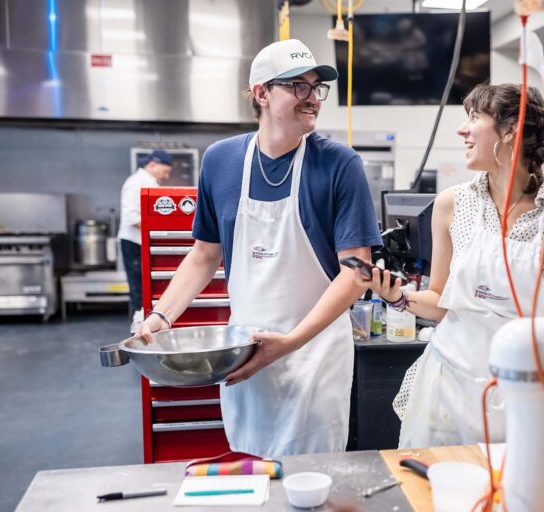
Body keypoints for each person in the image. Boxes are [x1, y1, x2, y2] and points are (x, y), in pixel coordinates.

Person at [140, 39, 381, 456]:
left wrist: (290, 342)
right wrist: (163, 315)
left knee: (313, 474)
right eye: (298, 87)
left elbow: (358, 271)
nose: (312, 99)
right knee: (250, 468)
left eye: (316, 88)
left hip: (315, 354)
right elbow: (203, 254)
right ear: (262, 93)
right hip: (245, 351)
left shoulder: (340, 164)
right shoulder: (220, 160)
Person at [354, 84, 544, 448]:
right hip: (448, 384)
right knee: (433, 491)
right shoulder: (452, 204)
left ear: (510, 130)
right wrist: (397, 297)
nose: (461, 130)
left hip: (524, 387)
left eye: (473, 118)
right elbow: (439, 299)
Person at [117, 149, 173, 333]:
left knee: (146, 288)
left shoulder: (149, 182)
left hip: (143, 243)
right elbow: (131, 218)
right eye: (165, 170)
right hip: (134, 243)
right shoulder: (137, 183)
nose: (167, 175)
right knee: (139, 289)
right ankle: (138, 329)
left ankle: (145, 326)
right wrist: (160, 231)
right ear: (152, 165)